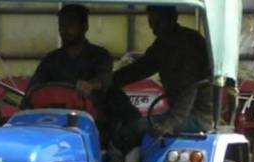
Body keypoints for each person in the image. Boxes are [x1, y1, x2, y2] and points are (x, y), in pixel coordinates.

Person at [111, 5, 213, 147]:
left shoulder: (190, 44)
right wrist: (109, 80)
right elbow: (140, 68)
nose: (154, 30)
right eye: (151, 25)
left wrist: (169, 124)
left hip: (196, 117)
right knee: (132, 125)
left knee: (134, 129)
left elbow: (190, 88)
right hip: (178, 113)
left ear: (173, 18)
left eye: (158, 23)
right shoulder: (163, 44)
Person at [29, 4, 113, 108]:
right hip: (55, 116)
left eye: (70, 25)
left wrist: (90, 85)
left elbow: (103, 79)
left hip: (92, 117)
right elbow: (34, 87)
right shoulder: (50, 59)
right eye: (61, 26)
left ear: (84, 26)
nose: (64, 30)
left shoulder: (101, 55)